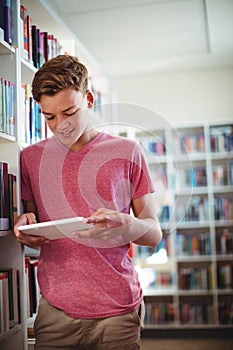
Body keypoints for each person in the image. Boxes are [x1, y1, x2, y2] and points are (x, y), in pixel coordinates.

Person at [14, 54, 162, 350]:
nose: (61, 126)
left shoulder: (127, 151)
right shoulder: (30, 159)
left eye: (70, 112)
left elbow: (153, 234)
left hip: (117, 313)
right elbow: (33, 231)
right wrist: (24, 226)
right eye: (49, 117)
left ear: (89, 99)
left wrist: (127, 225)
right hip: (55, 314)